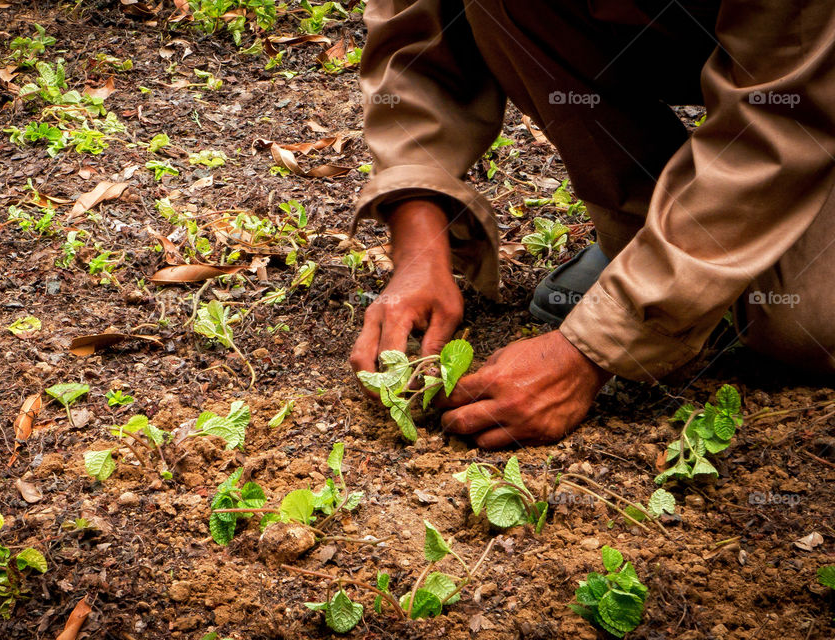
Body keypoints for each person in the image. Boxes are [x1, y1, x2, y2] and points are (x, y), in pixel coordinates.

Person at [348, 0, 835, 449]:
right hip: (680, 27)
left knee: (804, 329)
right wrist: (419, 240)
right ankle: (646, 240)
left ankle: (671, 272)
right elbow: (412, 27)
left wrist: (589, 351)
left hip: (809, 70)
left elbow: (778, 116)